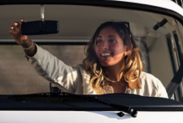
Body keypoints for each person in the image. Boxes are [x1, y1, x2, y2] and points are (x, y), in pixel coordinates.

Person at [9, 20, 168, 97]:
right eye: (99, 41)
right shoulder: (83, 78)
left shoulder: (151, 85)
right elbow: (54, 70)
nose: (103, 46)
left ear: (127, 48)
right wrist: (28, 45)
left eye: (111, 40)